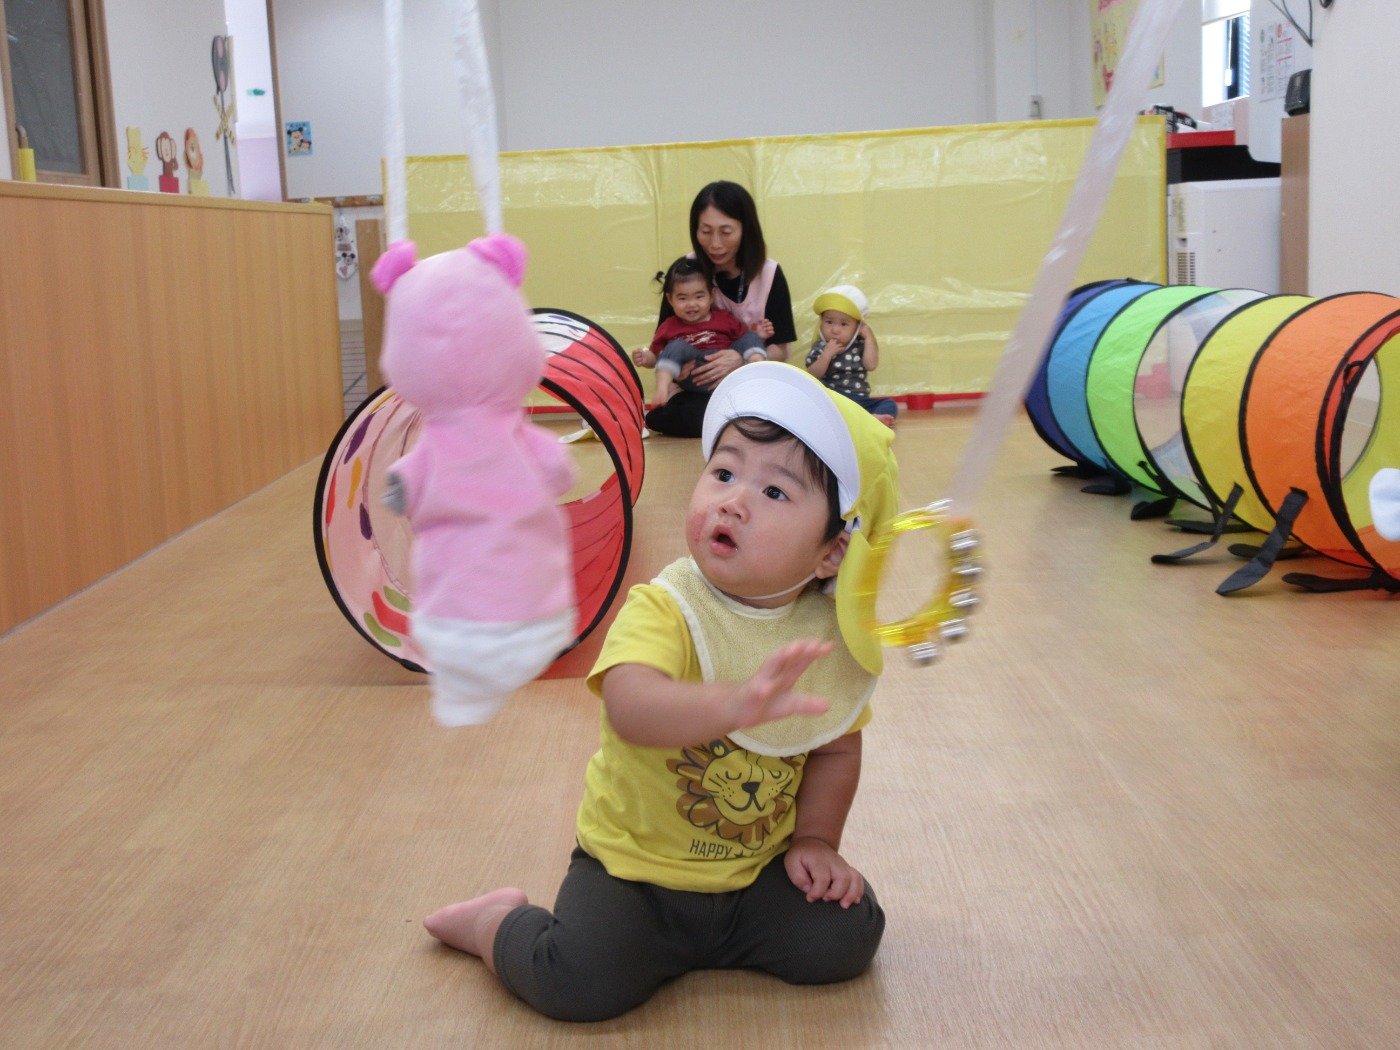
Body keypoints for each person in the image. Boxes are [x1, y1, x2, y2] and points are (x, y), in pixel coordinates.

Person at [424, 362, 901, 1023]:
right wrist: (732, 706)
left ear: (832, 553)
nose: (733, 501)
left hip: (753, 875)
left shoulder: (822, 639)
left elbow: (835, 749)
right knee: (577, 982)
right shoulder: (668, 605)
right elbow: (631, 706)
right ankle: (493, 922)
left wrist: (816, 842)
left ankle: (714, 939)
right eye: (724, 473)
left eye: (774, 492)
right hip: (633, 874)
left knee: (848, 936)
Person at [638, 181, 798, 438]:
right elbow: (666, 341)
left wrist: (741, 361)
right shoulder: (685, 271)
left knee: (770, 410)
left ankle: (742, 414)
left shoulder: (769, 274)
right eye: (705, 231)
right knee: (689, 415)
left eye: (726, 232)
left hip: (748, 382)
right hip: (694, 389)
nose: (714, 244)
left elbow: (780, 348)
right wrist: (679, 367)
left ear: (746, 230)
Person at [637, 256, 768, 406]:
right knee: (675, 347)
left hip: (726, 372)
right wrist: (646, 358)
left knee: (749, 336)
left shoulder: (724, 318)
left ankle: (756, 367)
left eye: (699, 297)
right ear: (670, 299)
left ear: (712, 296)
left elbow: (744, 340)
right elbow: (656, 356)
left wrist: (758, 336)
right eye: (682, 299)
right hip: (694, 372)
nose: (691, 304)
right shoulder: (669, 325)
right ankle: (662, 387)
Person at [805, 285, 897, 427]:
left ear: (857, 328)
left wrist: (869, 338)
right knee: (814, 400)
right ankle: (854, 419)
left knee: (888, 404)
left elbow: (871, 365)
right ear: (821, 323)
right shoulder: (821, 347)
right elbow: (813, 373)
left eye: (844, 324)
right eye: (829, 322)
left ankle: (869, 418)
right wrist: (826, 355)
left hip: (858, 400)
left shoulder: (860, 345)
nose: (835, 330)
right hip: (833, 398)